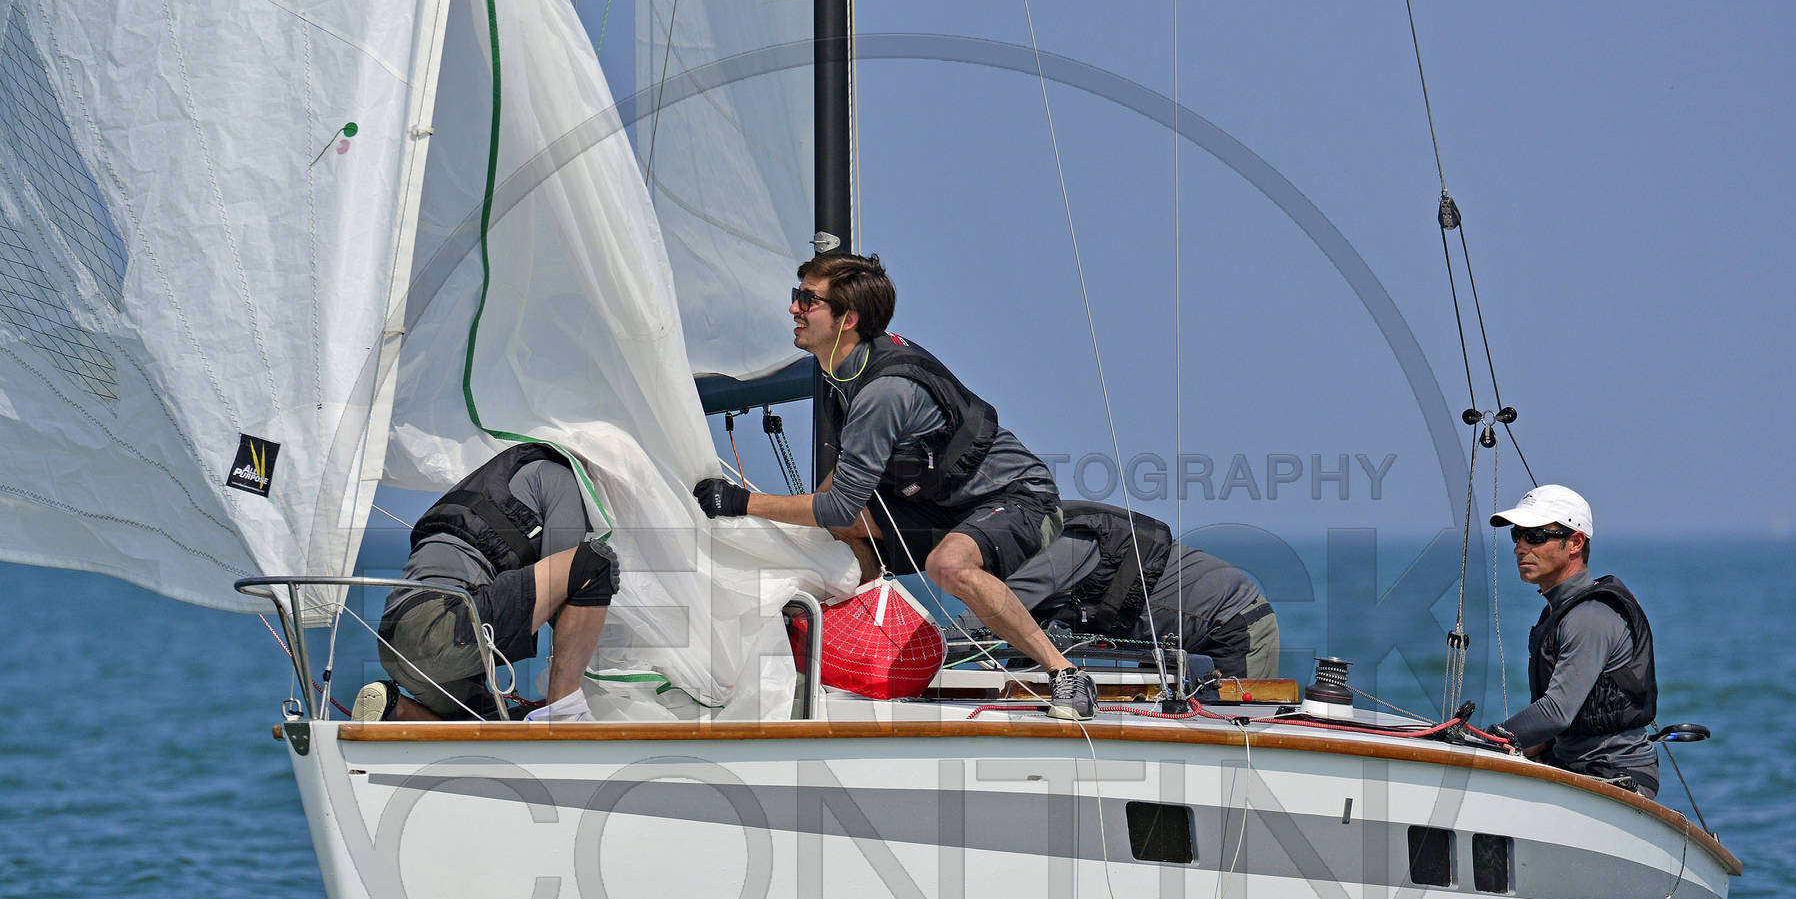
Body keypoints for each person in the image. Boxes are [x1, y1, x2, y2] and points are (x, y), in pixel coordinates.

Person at [691, 252, 1099, 720]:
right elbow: (840, 491)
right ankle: (860, 653)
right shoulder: (841, 368)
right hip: (939, 503)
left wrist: (743, 502)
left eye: (807, 299)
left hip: (1018, 496)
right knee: (833, 529)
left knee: (949, 566)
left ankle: (1065, 672)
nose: (793, 308)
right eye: (795, 295)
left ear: (848, 319)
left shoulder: (882, 391)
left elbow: (840, 505)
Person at [354, 442, 618, 721]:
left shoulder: (514, 478)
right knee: (594, 562)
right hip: (441, 627)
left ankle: (397, 710)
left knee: (484, 723)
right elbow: (566, 582)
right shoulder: (564, 478)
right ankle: (564, 715)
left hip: (395, 641)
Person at [973, 499, 1279, 681]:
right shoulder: (1019, 543)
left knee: (1238, 735)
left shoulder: (1054, 548)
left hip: (1234, 624)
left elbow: (984, 616)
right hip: (1169, 641)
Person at [1487, 484, 1659, 797]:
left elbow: (1556, 712)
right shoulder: (1557, 612)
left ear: (1575, 543)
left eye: (1535, 536)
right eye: (1517, 535)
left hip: (1614, 775)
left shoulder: (1590, 616)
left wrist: (1485, 741)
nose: (1519, 548)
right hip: (1572, 766)